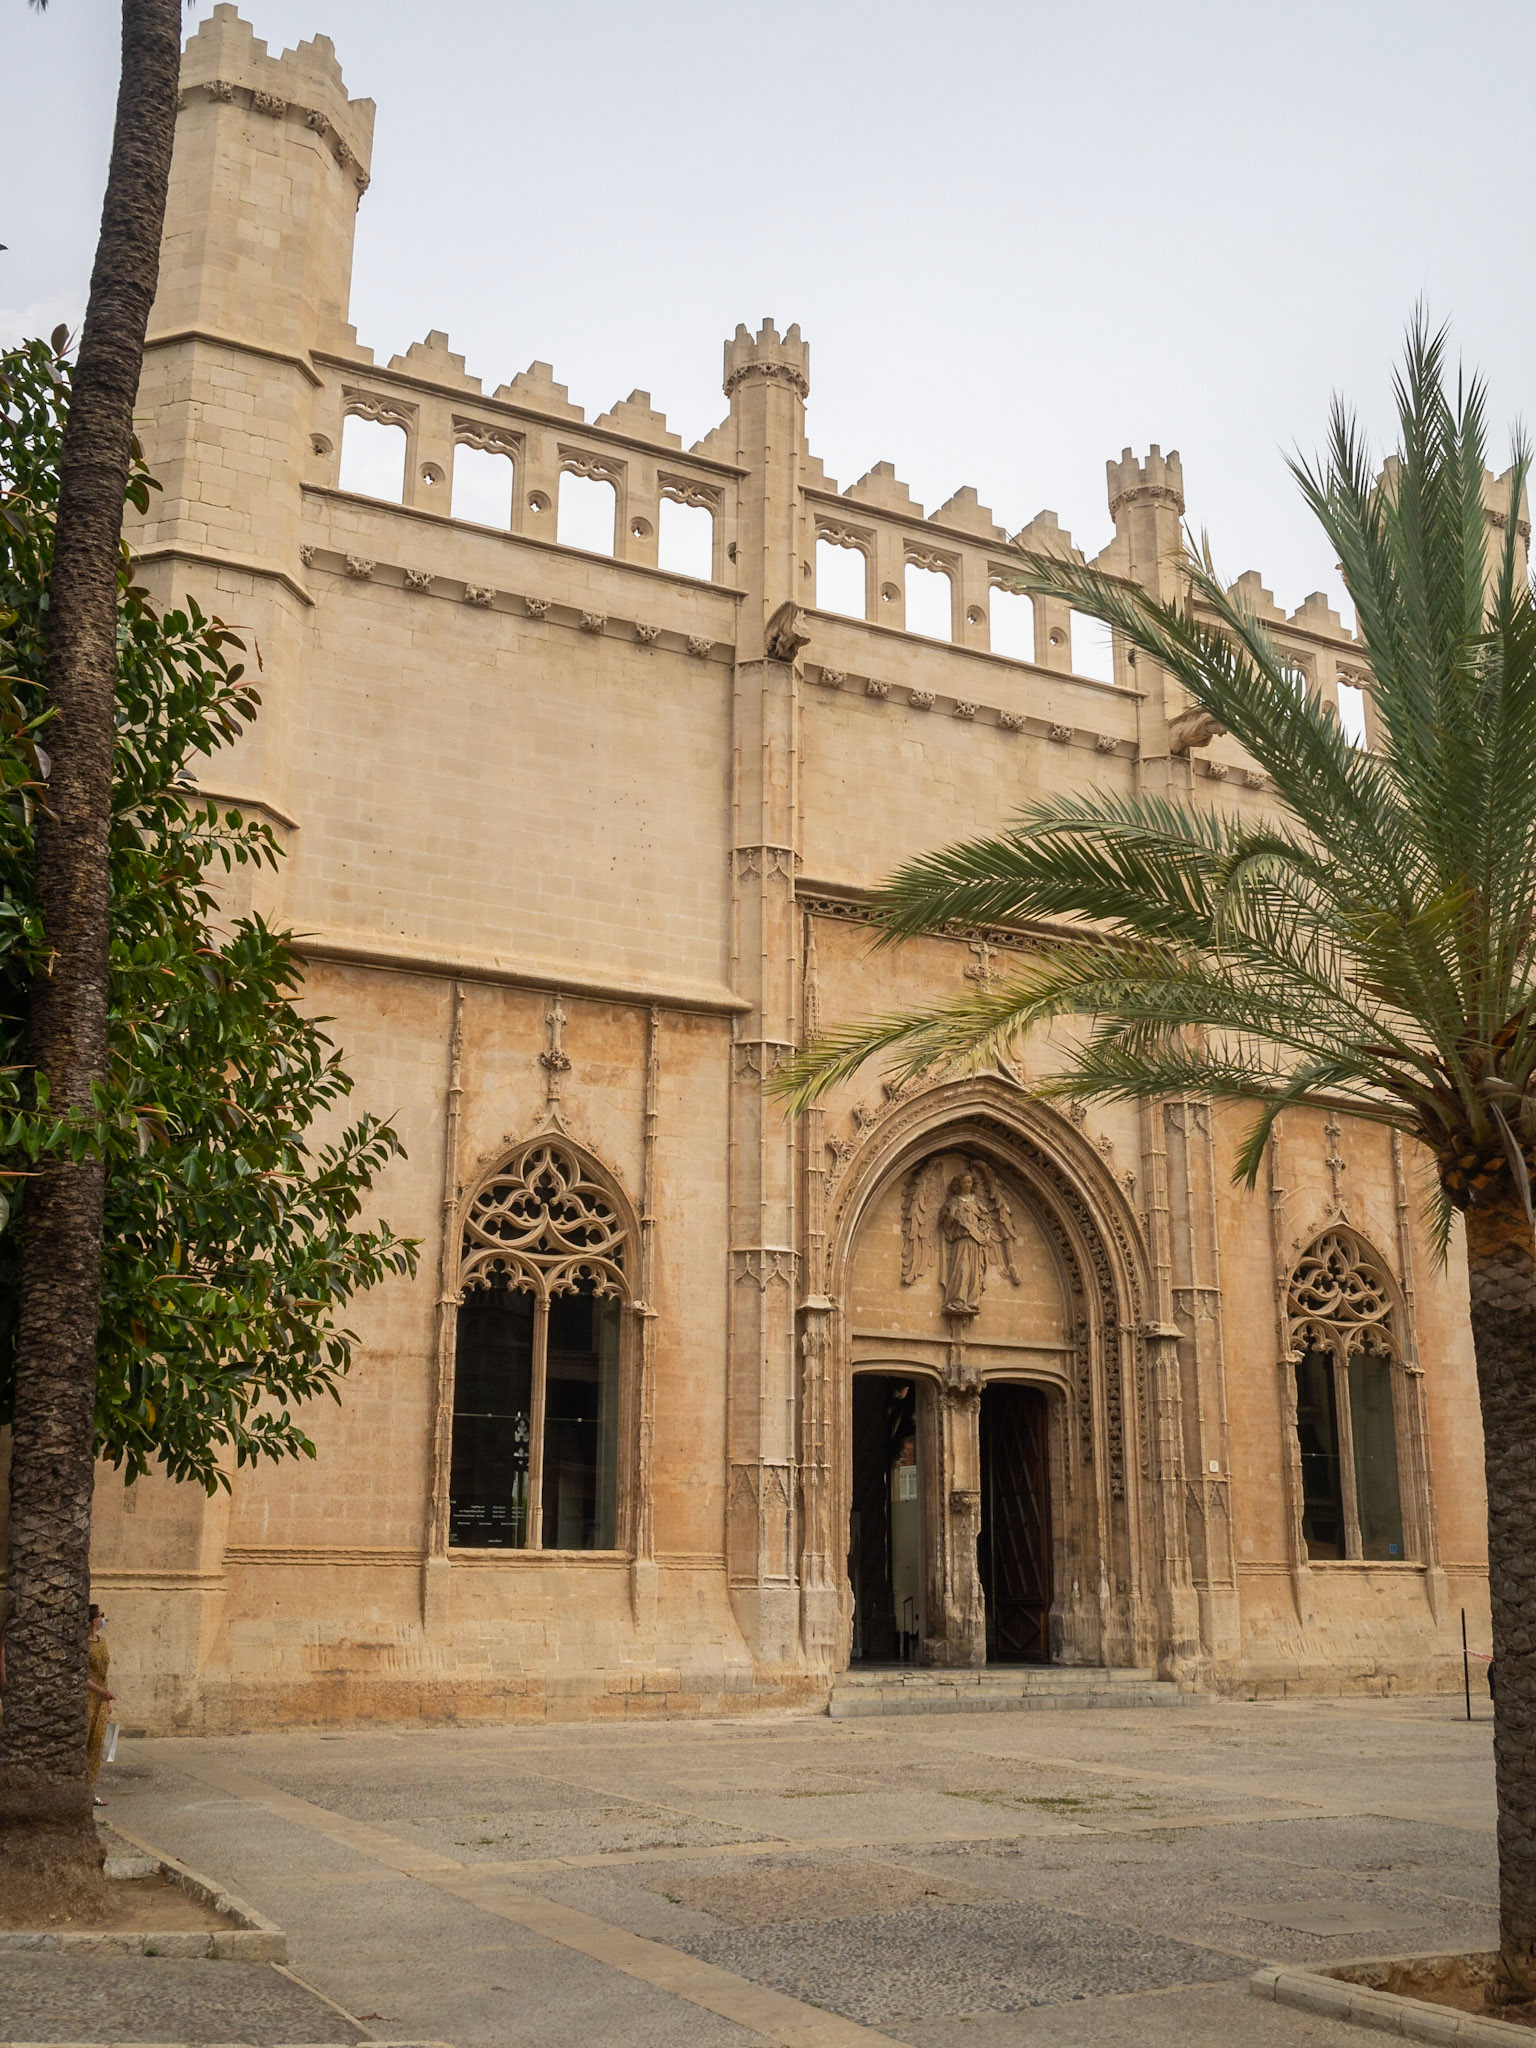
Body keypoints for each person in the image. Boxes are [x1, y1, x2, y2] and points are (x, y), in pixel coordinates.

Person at [85, 1604, 114, 1805]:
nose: (104, 1619)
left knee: (96, 1745)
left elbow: (103, 1672)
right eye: (101, 1616)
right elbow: (81, 1675)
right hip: (87, 1698)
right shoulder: (82, 1644)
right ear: (94, 1619)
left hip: (101, 1699)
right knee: (84, 1743)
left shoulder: (102, 1643)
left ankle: (91, 1790)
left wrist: (107, 1698)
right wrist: (101, 1692)